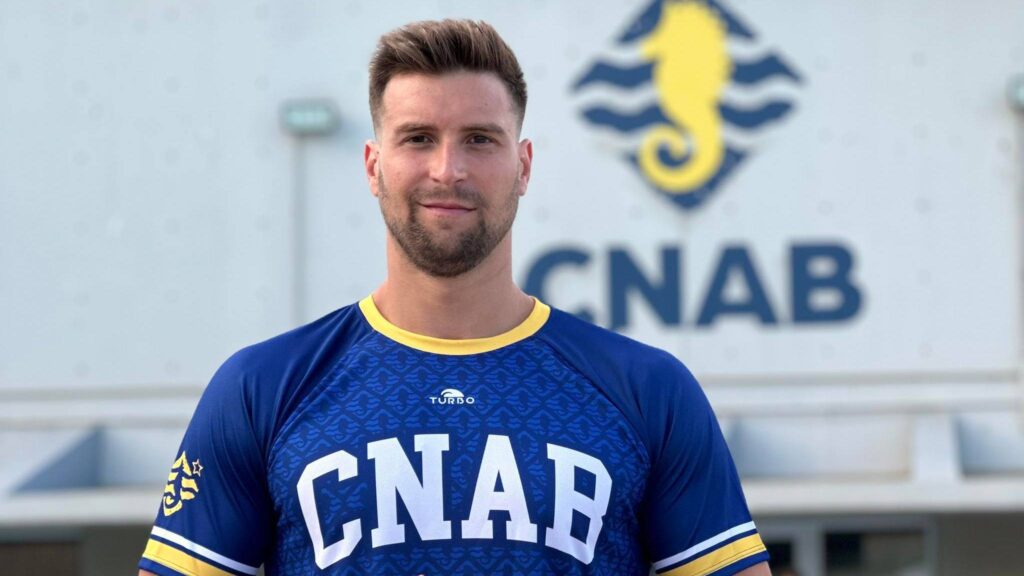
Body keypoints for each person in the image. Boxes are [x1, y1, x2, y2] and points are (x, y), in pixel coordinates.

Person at [139, 18, 771, 576]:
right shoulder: (263, 388)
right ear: (373, 166)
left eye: (480, 139)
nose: (448, 170)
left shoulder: (647, 390)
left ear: (524, 166)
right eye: (418, 138)